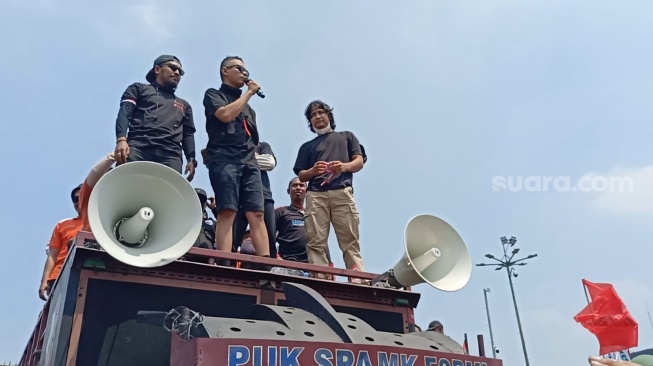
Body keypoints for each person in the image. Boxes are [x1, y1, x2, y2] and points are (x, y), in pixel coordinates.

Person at [203, 56, 270, 261]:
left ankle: (266, 264)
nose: (244, 74)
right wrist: (249, 92)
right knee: (227, 211)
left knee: (257, 213)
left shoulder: (249, 109)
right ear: (225, 70)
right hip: (224, 159)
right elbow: (224, 115)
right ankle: (224, 261)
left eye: (246, 71)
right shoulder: (214, 94)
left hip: (249, 162)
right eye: (239, 69)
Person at [293, 100, 366, 271]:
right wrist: (313, 171)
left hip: (342, 191)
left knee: (350, 240)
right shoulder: (307, 147)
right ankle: (320, 276)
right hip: (316, 194)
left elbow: (359, 161)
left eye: (320, 112)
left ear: (329, 115)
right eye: (313, 115)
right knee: (315, 240)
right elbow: (301, 175)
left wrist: (344, 166)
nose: (317, 117)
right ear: (310, 122)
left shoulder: (347, 136)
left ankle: (357, 279)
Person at [114, 55, 197, 181]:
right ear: (157, 69)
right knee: (127, 185)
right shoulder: (138, 89)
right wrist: (121, 140)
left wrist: (191, 159)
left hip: (171, 154)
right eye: (173, 68)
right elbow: (124, 113)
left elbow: (188, 135)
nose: (177, 73)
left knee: (167, 194)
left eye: (180, 72)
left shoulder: (185, 105)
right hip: (139, 147)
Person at [38, 186, 83, 300]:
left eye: (81, 197)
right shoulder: (62, 225)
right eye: (75, 199)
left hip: (87, 271)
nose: (78, 202)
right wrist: (44, 281)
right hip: (58, 277)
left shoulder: (101, 222)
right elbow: (52, 255)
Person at [233, 141, 277, 257]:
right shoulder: (232, 143)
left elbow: (270, 163)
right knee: (233, 238)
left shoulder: (261, 145)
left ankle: (269, 270)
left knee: (269, 239)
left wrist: (239, 159)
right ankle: (226, 269)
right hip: (237, 196)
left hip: (264, 196)